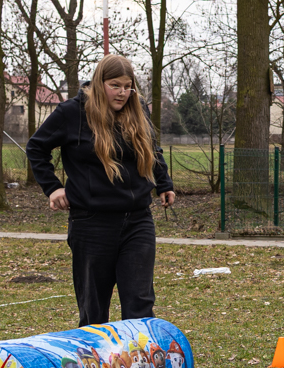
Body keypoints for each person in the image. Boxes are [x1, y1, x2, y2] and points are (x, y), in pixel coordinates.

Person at [26, 54, 176, 327]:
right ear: (99, 83)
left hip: (138, 220)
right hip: (91, 223)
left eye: (128, 86)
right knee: (93, 310)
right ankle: (95, 355)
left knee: (140, 303)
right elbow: (36, 147)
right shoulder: (72, 113)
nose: (122, 93)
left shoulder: (138, 109)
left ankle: (139, 356)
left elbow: (152, 148)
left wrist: (163, 183)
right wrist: (53, 188)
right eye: (115, 85)